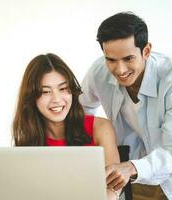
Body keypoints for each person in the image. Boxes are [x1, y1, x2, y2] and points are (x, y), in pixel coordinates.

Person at [79, 11, 172, 200]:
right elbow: (79, 111)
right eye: (111, 60)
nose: (120, 69)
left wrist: (131, 167)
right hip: (135, 177)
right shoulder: (99, 71)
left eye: (128, 59)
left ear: (146, 51)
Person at [12, 53, 121, 200]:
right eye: (45, 92)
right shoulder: (28, 143)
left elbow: (113, 188)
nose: (57, 99)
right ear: (31, 97)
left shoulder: (100, 128)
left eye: (63, 88)